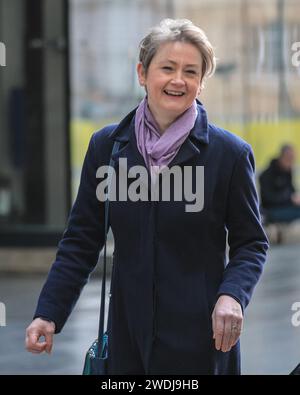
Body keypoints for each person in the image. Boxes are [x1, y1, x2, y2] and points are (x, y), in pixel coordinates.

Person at [25, 18, 268, 375]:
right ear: (143, 73)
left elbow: (251, 243)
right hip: (128, 340)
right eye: (166, 68)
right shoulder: (107, 147)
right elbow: (81, 240)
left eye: (191, 71)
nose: (178, 80)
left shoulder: (229, 154)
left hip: (202, 340)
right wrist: (49, 312)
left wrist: (232, 295)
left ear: (201, 83)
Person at [259, 144, 300, 223]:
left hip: (286, 206)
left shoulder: (287, 171)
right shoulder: (267, 175)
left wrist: (296, 198)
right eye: (289, 158)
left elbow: (292, 190)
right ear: (282, 157)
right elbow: (268, 199)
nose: (291, 162)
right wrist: (290, 198)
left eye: (293, 159)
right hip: (271, 210)